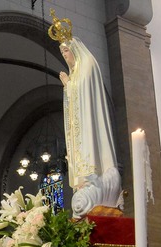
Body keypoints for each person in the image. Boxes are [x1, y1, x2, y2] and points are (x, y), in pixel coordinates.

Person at [49, 10, 123, 219]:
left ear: (75, 49)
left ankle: (92, 176)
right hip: (80, 125)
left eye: (66, 52)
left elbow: (85, 97)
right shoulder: (76, 72)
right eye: (62, 53)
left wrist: (68, 85)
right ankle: (84, 179)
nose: (65, 56)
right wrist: (69, 85)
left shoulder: (88, 65)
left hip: (89, 125)